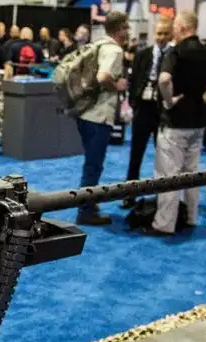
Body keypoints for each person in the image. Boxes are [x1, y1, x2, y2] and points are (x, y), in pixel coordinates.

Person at [147, 11, 206, 236]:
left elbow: (164, 79)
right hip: (198, 121)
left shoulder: (176, 52)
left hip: (175, 123)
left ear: (182, 27)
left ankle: (164, 224)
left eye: (175, 25)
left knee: (168, 174)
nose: (172, 29)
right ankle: (191, 217)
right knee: (192, 173)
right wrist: (205, 98)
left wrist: (168, 101)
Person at [74, 12, 129, 226]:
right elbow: (103, 76)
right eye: (125, 28)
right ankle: (86, 211)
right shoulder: (114, 50)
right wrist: (117, 86)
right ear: (118, 29)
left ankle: (88, 203)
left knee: (91, 162)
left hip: (84, 112)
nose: (128, 32)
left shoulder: (96, 45)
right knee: (93, 165)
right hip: (98, 116)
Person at [122, 17, 173, 207]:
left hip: (163, 111)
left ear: (171, 34)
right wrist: (134, 104)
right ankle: (130, 194)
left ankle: (162, 196)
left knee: (164, 156)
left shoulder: (174, 56)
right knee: (135, 154)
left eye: (165, 33)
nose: (161, 37)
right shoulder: (142, 54)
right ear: (154, 33)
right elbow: (133, 79)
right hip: (142, 108)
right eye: (158, 33)